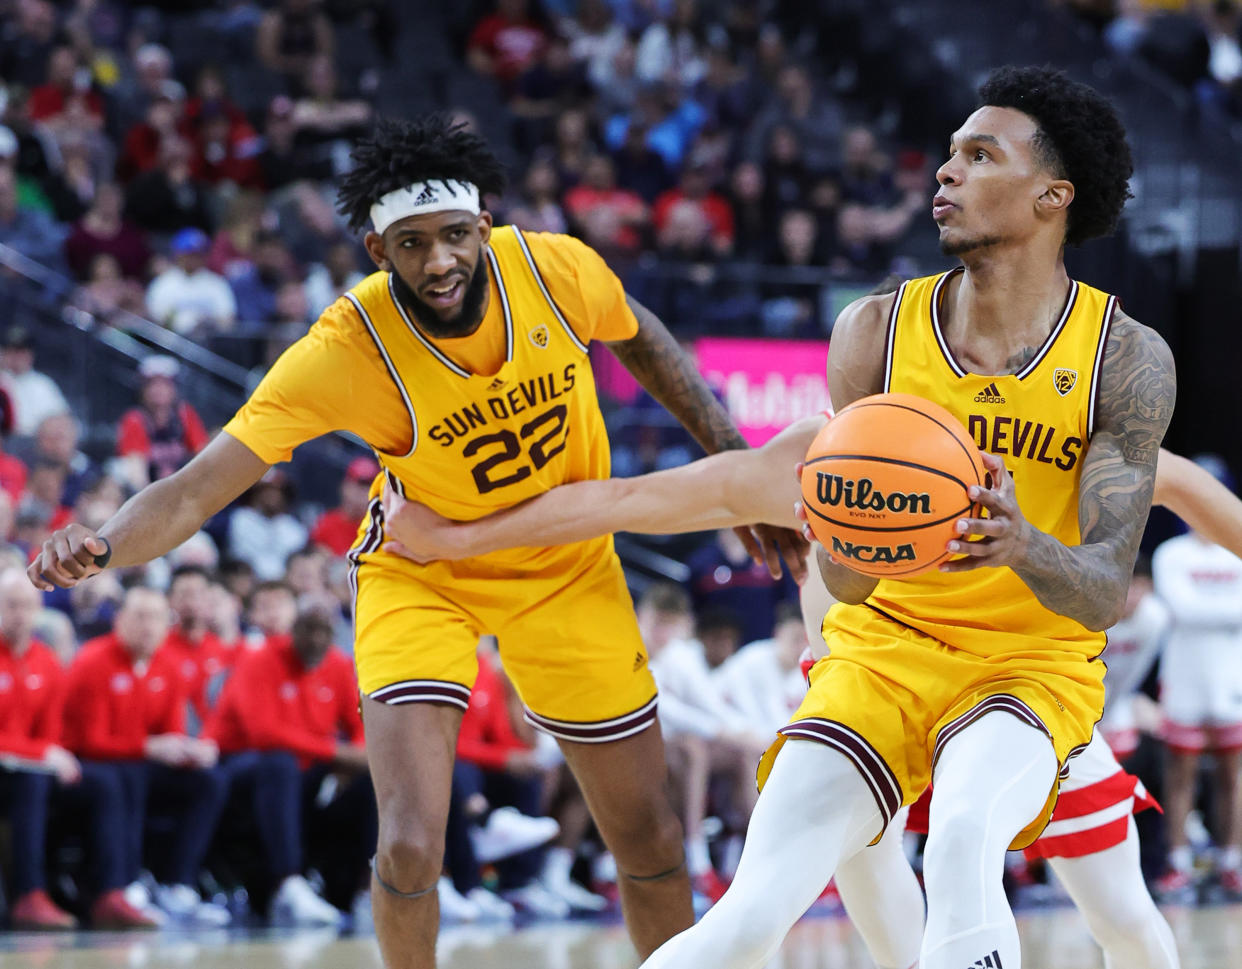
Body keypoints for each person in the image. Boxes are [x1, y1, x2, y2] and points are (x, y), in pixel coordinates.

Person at [374, 68, 1177, 969]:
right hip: (877, 663)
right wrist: (850, 533)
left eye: (979, 155)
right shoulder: (873, 337)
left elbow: (1106, 587)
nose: (944, 172)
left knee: (995, 859)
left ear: (1050, 196)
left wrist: (1018, 539)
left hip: (1029, 677)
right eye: (948, 152)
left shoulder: (1124, 359)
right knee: (749, 916)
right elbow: (654, 509)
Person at [28, 113, 797, 969]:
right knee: (405, 847)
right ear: (375, 248)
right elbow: (195, 488)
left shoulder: (554, 269)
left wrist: (740, 466)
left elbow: (644, 337)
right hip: (423, 567)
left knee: (651, 832)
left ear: (486, 226)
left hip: (564, 565)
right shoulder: (341, 351)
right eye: (413, 242)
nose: (439, 261)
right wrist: (99, 545)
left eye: (456, 236)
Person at [61, 586, 230, 926]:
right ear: (120, 620)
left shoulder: (168, 665)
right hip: (90, 763)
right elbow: (89, 741)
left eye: (156, 618)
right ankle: (125, 883)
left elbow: (170, 731)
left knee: (209, 782)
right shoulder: (93, 660)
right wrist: (148, 747)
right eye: (139, 616)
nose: (148, 626)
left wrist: (189, 750)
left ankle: (178, 883)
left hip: (139, 761)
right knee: (127, 774)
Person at [206, 597, 371, 924]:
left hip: (306, 768)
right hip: (240, 764)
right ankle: (288, 883)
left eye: (325, 631)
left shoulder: (337, 664)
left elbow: (359, 725)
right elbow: (263, 734)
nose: (316, 639)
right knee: (280, 763)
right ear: (292, 630)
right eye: (308, 630)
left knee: (371, 777)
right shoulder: (261, 659)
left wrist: (356, 757)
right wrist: (338, 754)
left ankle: (369, 886)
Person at [1151, 470, 1242, 901]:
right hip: (1186, 678)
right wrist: (1227, 610)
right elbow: (1182, 610)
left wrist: (1205, 609)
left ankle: (1232, 863)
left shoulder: (1233, 552)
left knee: (1234, 776)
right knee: (1180, 776)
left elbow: (1192, 608)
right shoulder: (1171, 553)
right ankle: (1180, 863)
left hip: (1231, 678)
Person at [115, 355, 210, 489]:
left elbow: (203, 455)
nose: (158, 390)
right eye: (152, 384)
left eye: (164, 384)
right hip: (147, 492)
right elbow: (135, 473)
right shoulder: (134, 419)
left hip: (183, 488)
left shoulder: (185, 415)